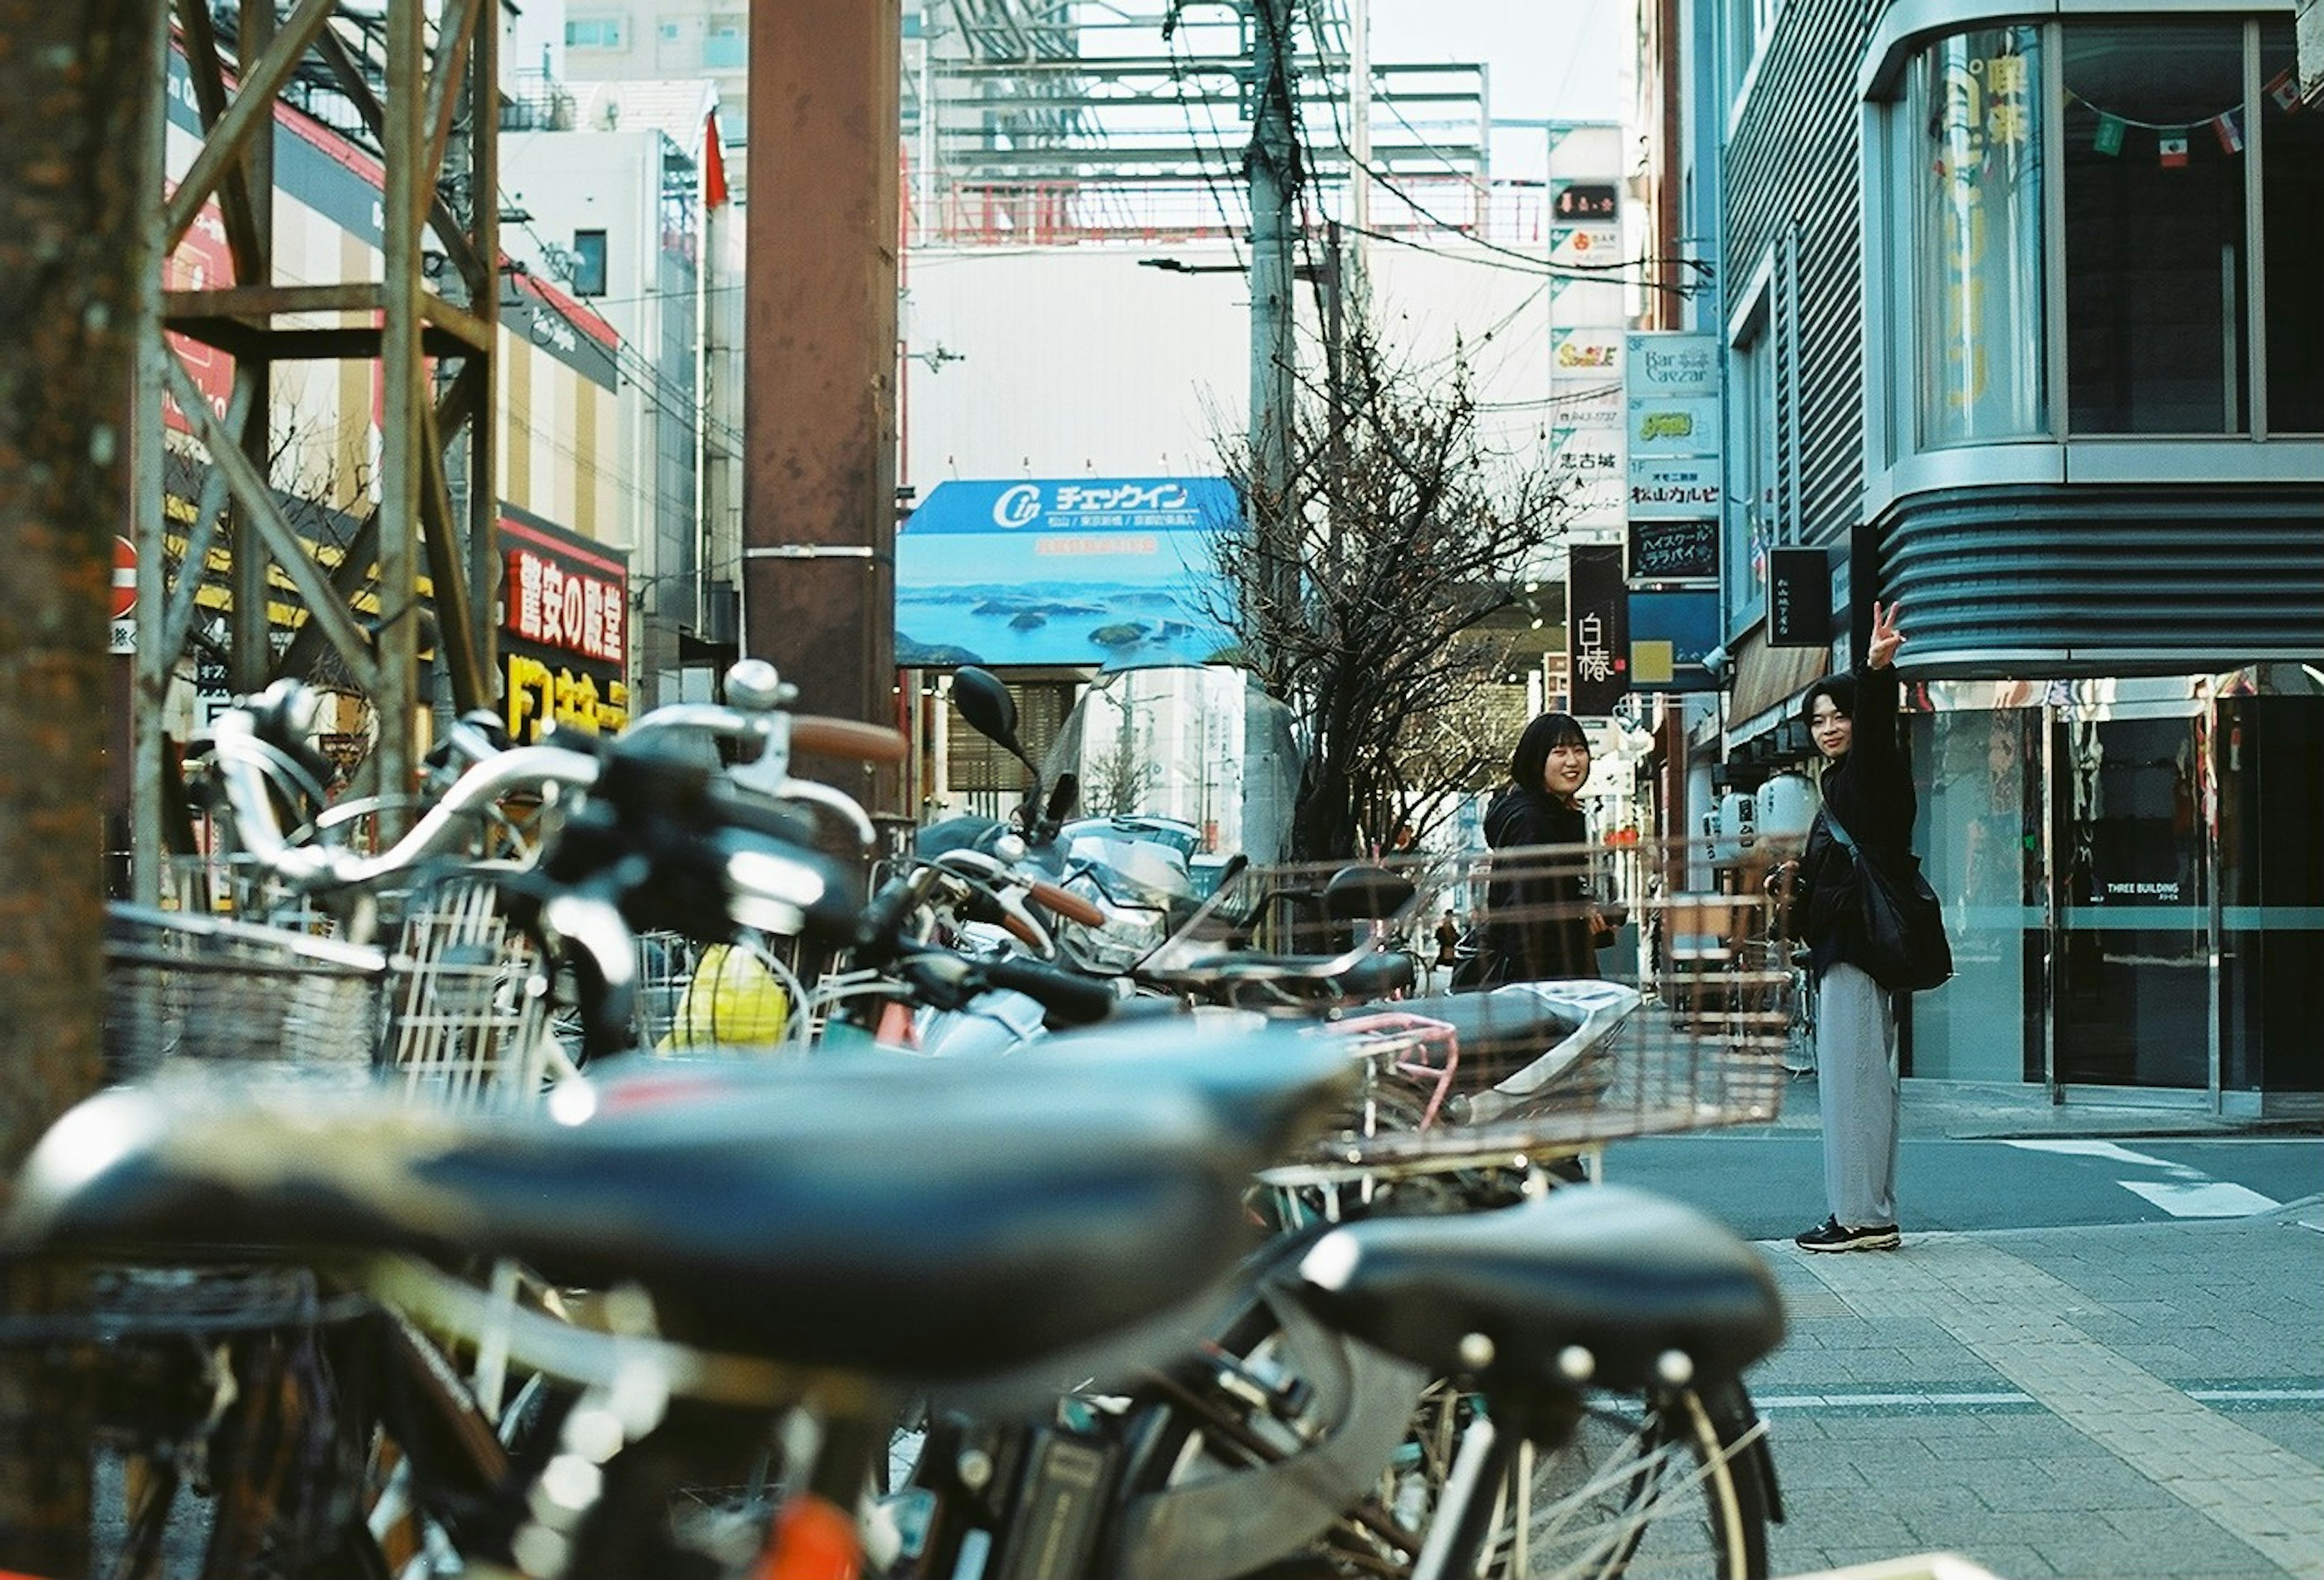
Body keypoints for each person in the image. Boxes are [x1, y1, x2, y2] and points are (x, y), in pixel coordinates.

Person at [1775, 600, 1917, 1252]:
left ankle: (1862, 1217)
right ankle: (1862, 1210)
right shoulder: (1840, 784)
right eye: (1818, 719)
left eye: (1840, 716)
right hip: (1844, 946)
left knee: (1855, 1084)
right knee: (1854, 1083)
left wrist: (1876, 671)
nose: (1829, 727)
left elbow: (1882, 731)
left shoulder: (1872, 771)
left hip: (1858, 947)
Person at [1472, 712, 1609, 985]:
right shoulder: (1530, 821)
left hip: (1556, 975)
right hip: (1544, 983)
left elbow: (1550, 893)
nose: (1572, 762)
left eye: (1579, 751)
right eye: (1560, 752)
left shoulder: (1553, 814)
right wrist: (1532, 992)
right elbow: (1523, 911)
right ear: (1536, 761)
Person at [1433, 908, 1462, 989]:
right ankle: (1434, 967)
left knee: (1444, 956)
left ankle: (1434, 967)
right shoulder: (1446, 923)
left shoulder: (1448, 923)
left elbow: (1453, 933)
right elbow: (1448, 932)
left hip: (1448, 943)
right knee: (1443, 956)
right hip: (1447, 943)